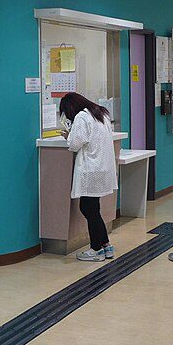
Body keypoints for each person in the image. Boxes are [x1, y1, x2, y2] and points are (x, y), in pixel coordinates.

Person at [59, 92, 118, 262]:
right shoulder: (100, 113)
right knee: (93, 209)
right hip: (102, 168)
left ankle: (96, 249)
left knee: (88, 209)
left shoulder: (82, 117)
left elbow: (75, 144)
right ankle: (106, 245)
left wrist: (68, 136)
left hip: (91, 170)